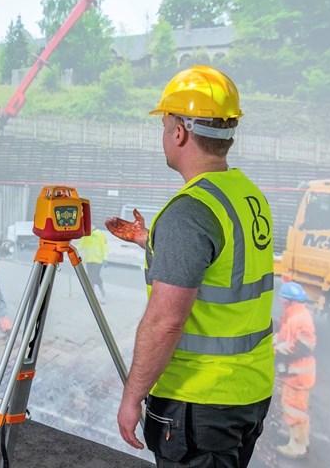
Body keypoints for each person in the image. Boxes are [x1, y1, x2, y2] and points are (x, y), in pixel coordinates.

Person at [107, 66, 274, 467]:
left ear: (178, 131)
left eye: (165, 124)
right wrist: (153, 241)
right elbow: (224, 266)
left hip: (199, 401)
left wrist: (132, 397)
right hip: (247, 392)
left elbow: (165, 321)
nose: (164, 134)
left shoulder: (189, 212)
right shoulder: (246, 195)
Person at [273, 281, 316, 458]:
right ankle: (298, 438)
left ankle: (297, 447)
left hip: (297, 374)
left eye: (283, 299)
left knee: (295, 410)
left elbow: (300, 347)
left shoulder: (297, 319)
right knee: (295, 407)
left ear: (287, 301)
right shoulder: (297, 314)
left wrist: (274, 346)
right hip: (297, 373)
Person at [74, 224, 109, 303]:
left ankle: (102, 293)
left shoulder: (100, 234)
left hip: (98, 260)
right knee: (90, 276)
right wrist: (72, 251)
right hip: (89, 259)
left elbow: (105, 247)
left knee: (95, 276)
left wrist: (105, 259)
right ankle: (92, 295)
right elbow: (81, 244)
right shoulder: (86, 235)